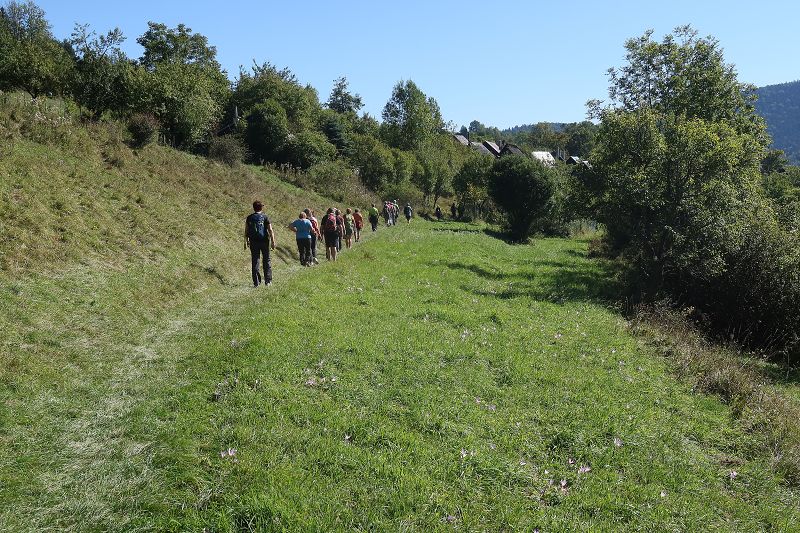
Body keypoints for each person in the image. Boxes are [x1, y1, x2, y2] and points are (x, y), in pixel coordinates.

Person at [244, 200, 275, 287]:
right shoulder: (265, 217)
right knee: (266, 260)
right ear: (261, 207)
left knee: (255, 260)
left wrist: (245, 241)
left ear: (254, 208)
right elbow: (270, 230)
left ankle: (256, 282)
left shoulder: (249, 217)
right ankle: (268, 281)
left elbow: (246, 230)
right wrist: (273, 241)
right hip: (264, 241)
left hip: (253, 241)